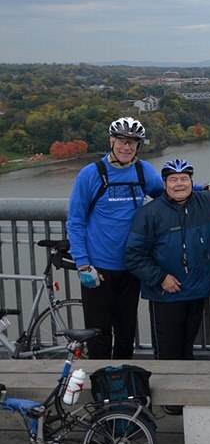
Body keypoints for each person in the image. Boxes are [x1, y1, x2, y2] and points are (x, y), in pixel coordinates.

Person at [124, 159, 210, 399]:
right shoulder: (149, 213)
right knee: (168, 352)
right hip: (166, 294)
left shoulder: (208, 201)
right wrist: (160, 278)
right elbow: (133, 254)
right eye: (173, 179)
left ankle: (185, 397)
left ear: (192, 181)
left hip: (197, 290)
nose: (179, 184)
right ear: (165, 184)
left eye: (184, 179)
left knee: (187, 348)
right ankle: (168, 400)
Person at [66, 117, 163, 359]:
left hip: (131, 266)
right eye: (121, 140)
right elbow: (75, 221)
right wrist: (83, 264)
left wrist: (204, 189)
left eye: (132, 142)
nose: (126, 147)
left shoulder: (143, 171)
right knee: (99, 335)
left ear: (138, 145)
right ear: (111, 141)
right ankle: (101, 389)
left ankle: (122, 389)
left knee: (126, 333)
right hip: (98, 269)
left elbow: (172, 192)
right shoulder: (91, 174)